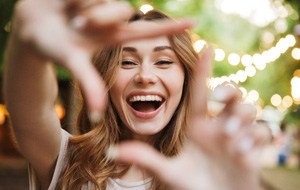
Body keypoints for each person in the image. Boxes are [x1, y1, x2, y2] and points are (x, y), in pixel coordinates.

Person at [3, 0, 268, 189]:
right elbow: (31, 109)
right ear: (106, 78)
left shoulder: (209, 174)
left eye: (163, 62)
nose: (145, 75)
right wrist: (27, 48)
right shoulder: (66, 160)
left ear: (187, 80)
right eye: (127, 62)